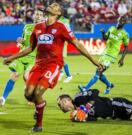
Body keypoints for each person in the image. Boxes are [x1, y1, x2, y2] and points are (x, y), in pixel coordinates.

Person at [3, 2, 102, 133]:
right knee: (28, 95)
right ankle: (40, 105)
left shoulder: (62, 27)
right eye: (51, 5)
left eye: (55, 6)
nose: (52, 5)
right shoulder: (38, 27)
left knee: (37, 92)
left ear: (58, 14)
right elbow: (31, 48)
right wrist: (12, 57)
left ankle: (38, 125)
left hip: (53, 65)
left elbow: (77, 44)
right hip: (38, 65)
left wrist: (93, 60)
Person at [57, 84, 132, 122]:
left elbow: (95, 91)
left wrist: (87, 106)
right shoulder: (76, 114)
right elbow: (94, 119)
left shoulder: (78, 98)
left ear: (67, 100)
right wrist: (82, 118)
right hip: (115, 115)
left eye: (61, 103)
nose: (61, 107)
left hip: (116, 104)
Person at [0, 9, 44, 106]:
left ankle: (34, 96)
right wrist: (21, 41)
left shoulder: (44, 29)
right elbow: (25, 42)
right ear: (34, 15)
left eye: (40, 14)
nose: (38, 16)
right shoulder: (27, 27)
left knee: (26, 76)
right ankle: (3, 98)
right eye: (36, 14)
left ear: (43, 17)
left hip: (33, 58)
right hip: (22, 55)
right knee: (14, 75)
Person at [78, 16, 129, 94]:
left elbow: (126, 47)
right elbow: (105, 38)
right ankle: (109, 85)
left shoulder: (124, 34)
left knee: (99, 70)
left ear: (124, 23)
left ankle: (85, 88)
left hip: (112, 55)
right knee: (100, 74)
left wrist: (122, 59)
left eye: (122, 21)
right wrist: (103, 33)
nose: (120, 22)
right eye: (119, 20)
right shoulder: (112, 28)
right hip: (104, 54)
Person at [58, 15, 73, 83]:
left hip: (62, 42)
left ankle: (69, 75)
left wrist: (67, 40)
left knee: (61, 59)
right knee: (56, 58)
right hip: (56, 42)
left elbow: (68, 32)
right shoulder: (54, 19)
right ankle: (60, 72)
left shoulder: (65, 21)